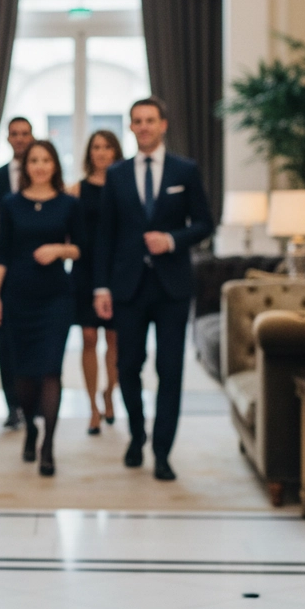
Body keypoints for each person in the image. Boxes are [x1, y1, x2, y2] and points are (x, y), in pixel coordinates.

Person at [94, 97, 213, 482]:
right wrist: (101, 287)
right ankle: (137, 433)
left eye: (150, 120)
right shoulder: (117, 174)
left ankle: (162, 451)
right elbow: (105, 237)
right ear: (130, 128)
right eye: (137, 121)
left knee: (170, 370)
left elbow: (205, 224)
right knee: (127, 366)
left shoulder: (185, 170)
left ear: (163, 124)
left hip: (171, 287)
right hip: (128, 287)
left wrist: (173, 239)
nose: (143, 126)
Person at [0, 141, 82, 476]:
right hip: (17, 296)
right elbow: (1, 254)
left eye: (46, 160)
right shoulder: (11, 203)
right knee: (24, 375)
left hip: (56, 297)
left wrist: (59, 249)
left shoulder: (69, 204)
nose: (40, 166)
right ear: (25, 166)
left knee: (51, 371)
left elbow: (81, 249)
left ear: (55, 165)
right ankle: (30, 428)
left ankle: (48, 447)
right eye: (34, 160)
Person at [68, 130, 123, 435]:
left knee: (114, 340)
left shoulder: (123, 186)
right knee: (88, 338)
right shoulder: (76, 189)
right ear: (89, 153)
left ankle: (110, 395)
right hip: (83, 271)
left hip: (116, 272)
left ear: (116, 151)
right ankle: (91, 406)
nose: (101, 153)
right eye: (96, 147)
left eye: (107, 147)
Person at [0, 116, 35, 428]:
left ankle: (34, 401)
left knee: (33, 341)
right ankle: (12, 406)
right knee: (6, 343)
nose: (19, 138)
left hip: (38, 271)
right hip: (4, 271)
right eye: (14, 134)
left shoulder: (44, 175)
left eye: (24, 133)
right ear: (7, 138)